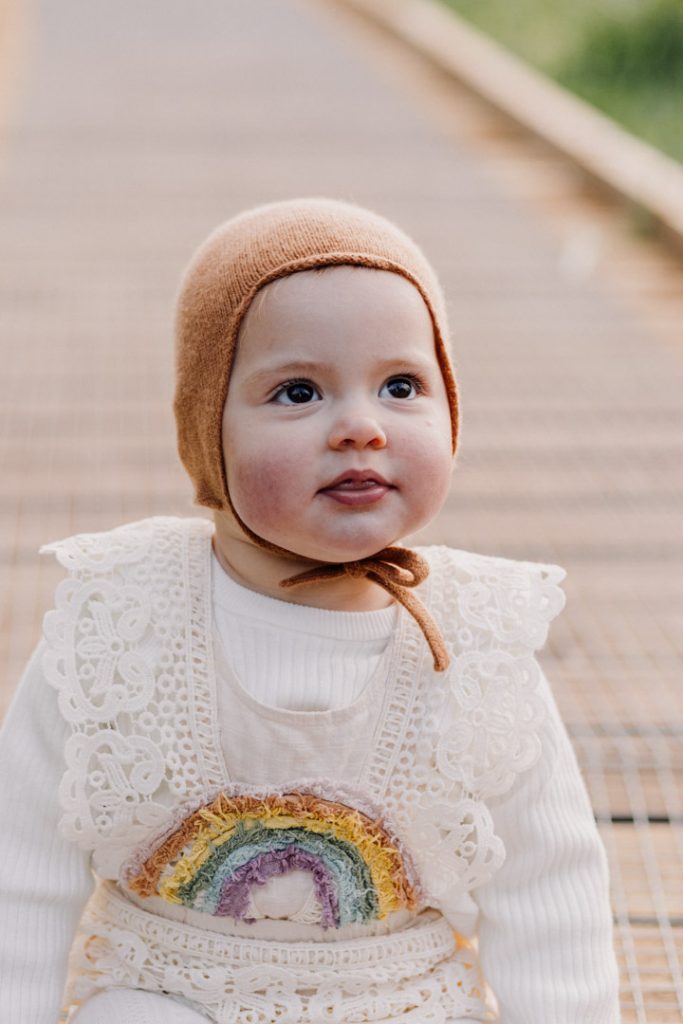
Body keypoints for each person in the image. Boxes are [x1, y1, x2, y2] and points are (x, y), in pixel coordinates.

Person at [0, 198, 621, 1023]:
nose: (359, 427)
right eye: (297, 392)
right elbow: (22, 868)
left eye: (401, 385)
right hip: (178, 986)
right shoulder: (120, 620)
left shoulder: (476, 642)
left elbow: (548, 890)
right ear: (205, 430)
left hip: (395, 997)